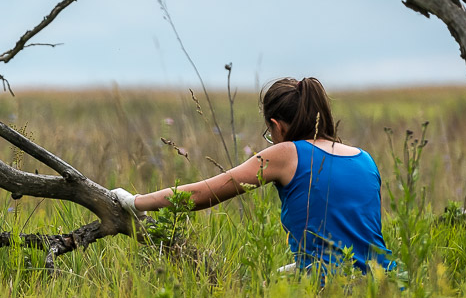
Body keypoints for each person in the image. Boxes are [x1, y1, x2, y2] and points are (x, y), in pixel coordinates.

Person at [111, 76, 398, 276]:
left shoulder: (285, 153)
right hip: (386, 282)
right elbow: (352, 233)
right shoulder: (365, 159)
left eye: (269, 132)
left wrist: (134, 201)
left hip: (327, 286)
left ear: (277, 125)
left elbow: (200, 195)